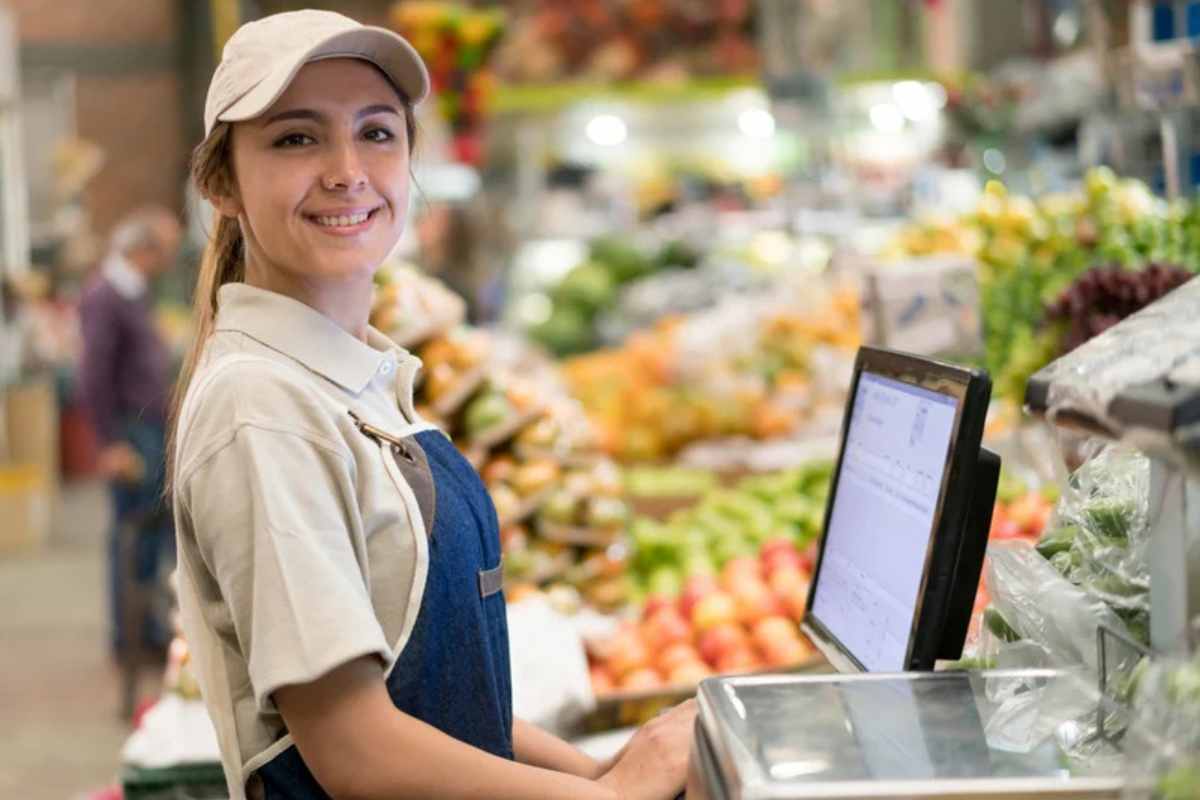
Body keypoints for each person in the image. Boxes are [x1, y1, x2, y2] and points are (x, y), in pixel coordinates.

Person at [169, 10, 695, 800]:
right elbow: (356, 749)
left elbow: (430, 699)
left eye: (377, 133)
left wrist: (598, 770)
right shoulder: (263, 408)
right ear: (221, 182)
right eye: (296, 138)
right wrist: (615, 797)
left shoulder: (355, 378)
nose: (347, 169)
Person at [78, 204, 181, 663]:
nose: (166, 263)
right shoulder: (108, 295)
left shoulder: (128, 292)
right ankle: (133, 638)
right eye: (164, 252)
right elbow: (94, 373)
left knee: (148, 536)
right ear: (144, 250)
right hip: (131, 430)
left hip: (146, 426)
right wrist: (110, 442)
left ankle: (147, 629)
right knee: (132, 534)